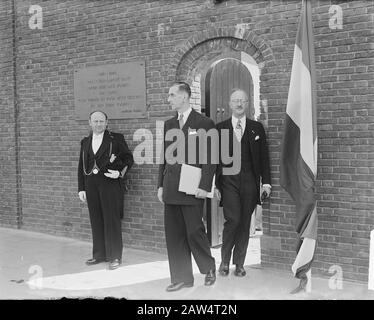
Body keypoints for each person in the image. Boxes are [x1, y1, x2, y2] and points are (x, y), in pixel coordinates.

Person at [157, 82, 216, 292]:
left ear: (184, 97)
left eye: (172, 95)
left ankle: (208, 268)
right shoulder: (169, 124)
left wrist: (205, 185)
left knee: (194, 231)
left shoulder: (204, 122)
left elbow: (211, 157)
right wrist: (160, 185)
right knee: (174, 235)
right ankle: (182, 278)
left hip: (192, 186)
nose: (169, 98)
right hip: (171, 186)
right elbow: (164, 156)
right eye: (169, 95)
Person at [215, 89, 271, 277]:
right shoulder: (219, 128)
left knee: (245, 222)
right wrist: (214, 185)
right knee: (233, 220)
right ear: (230, 104)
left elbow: (264, 158)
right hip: (228, 181)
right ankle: (224, 262)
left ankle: (239, 264)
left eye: (243, 101)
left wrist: (266, 183)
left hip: (250, 182)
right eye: (235, 101)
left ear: (248, 104)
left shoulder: (257, 128)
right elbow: (213, 160)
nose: (239, 104)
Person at [78, 110, 134, 270]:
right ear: (89, 123)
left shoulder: (116, 138)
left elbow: (128, 158)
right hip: (91, 185)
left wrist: (120, 172)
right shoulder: (85, 142)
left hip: (110, 184)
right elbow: (80, 166)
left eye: (101, 121)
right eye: (95, 121)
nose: (98, 124)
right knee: (96, 220)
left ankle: (115, 256)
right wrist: (81, 188)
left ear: (107, 122)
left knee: (112, 221)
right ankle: (99, 255)